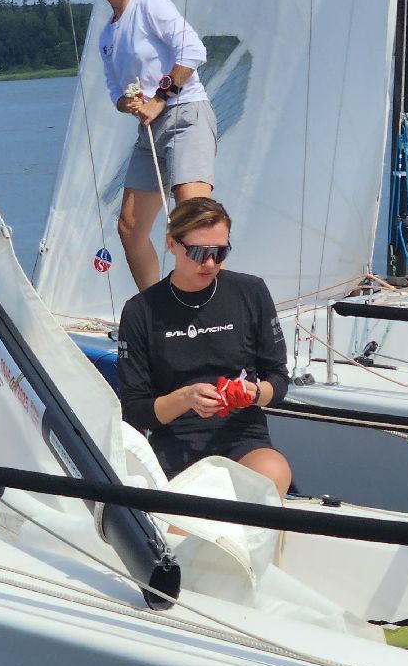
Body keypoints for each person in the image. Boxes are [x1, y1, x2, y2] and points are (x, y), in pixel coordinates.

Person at [116, 198, 291, 496]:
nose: (209, 263)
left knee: (272, 474)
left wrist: (255, 393)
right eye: (197, 252)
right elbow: (135, 409)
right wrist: (186, 398)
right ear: (172, 244)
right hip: (175, 440)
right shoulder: (140, 311)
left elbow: (278, 377)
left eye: (220, 252)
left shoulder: (251, 292)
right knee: (193, 506)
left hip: (242, 433)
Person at [91, 0, 217, 292]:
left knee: (194, 221)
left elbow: (193, 51)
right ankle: (157, 309)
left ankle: (204, 305)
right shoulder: (107, 36)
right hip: (149, 130)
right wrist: (129, 104)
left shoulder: (151, 6)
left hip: (185, 116)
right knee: (130, 228)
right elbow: (115, 91)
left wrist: (160, 97)